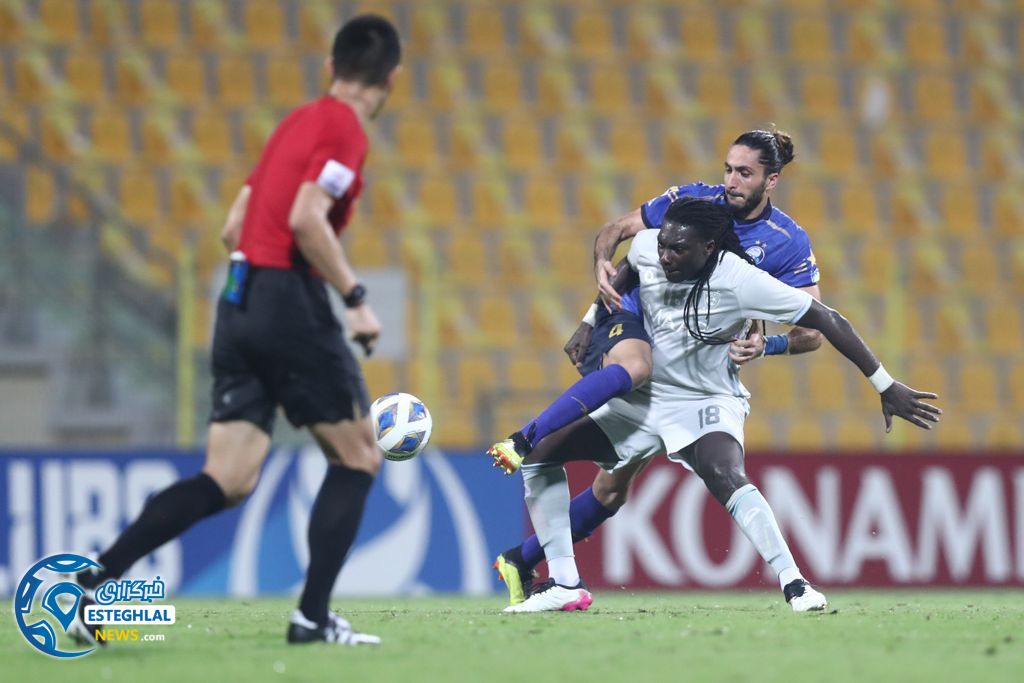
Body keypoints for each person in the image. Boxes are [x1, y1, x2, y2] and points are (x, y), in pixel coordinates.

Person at [70, 15, 401, 646]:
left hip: (238, 296)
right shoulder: (344, 129)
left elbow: (233, 227)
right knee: (359, 455)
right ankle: (310, 619)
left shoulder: (294, 124)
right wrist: (355, 298)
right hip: (286, 298)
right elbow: (308, 219)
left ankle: (98, 583)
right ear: (392, 79)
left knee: (228, 478)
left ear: (331, 68)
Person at [501, 197, 940, 613]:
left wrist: (884, 384)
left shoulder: (741, 279)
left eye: (678, 249)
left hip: (704, 400)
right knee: (540, 458)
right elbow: (629, 270)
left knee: (724, 473)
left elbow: (827, 320)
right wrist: (590, 319)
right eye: (664, 244)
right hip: (644, 399)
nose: (666, 255)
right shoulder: (650, 247)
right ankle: (563, 584)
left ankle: (795, 583)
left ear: (708, 248)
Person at [491, 130, 827, 608]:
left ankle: (522, 560)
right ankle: (529, 456)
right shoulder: (691, 200)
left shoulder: (785, 243)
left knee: (611, 489)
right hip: (636, 320)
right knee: (635, 367)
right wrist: (593, 308)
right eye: (728, 168)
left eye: (744, 173)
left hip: (691, 368)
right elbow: (625, 236)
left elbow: (813, 330)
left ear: (770, 181)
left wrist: (765, 344)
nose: (730, 180)